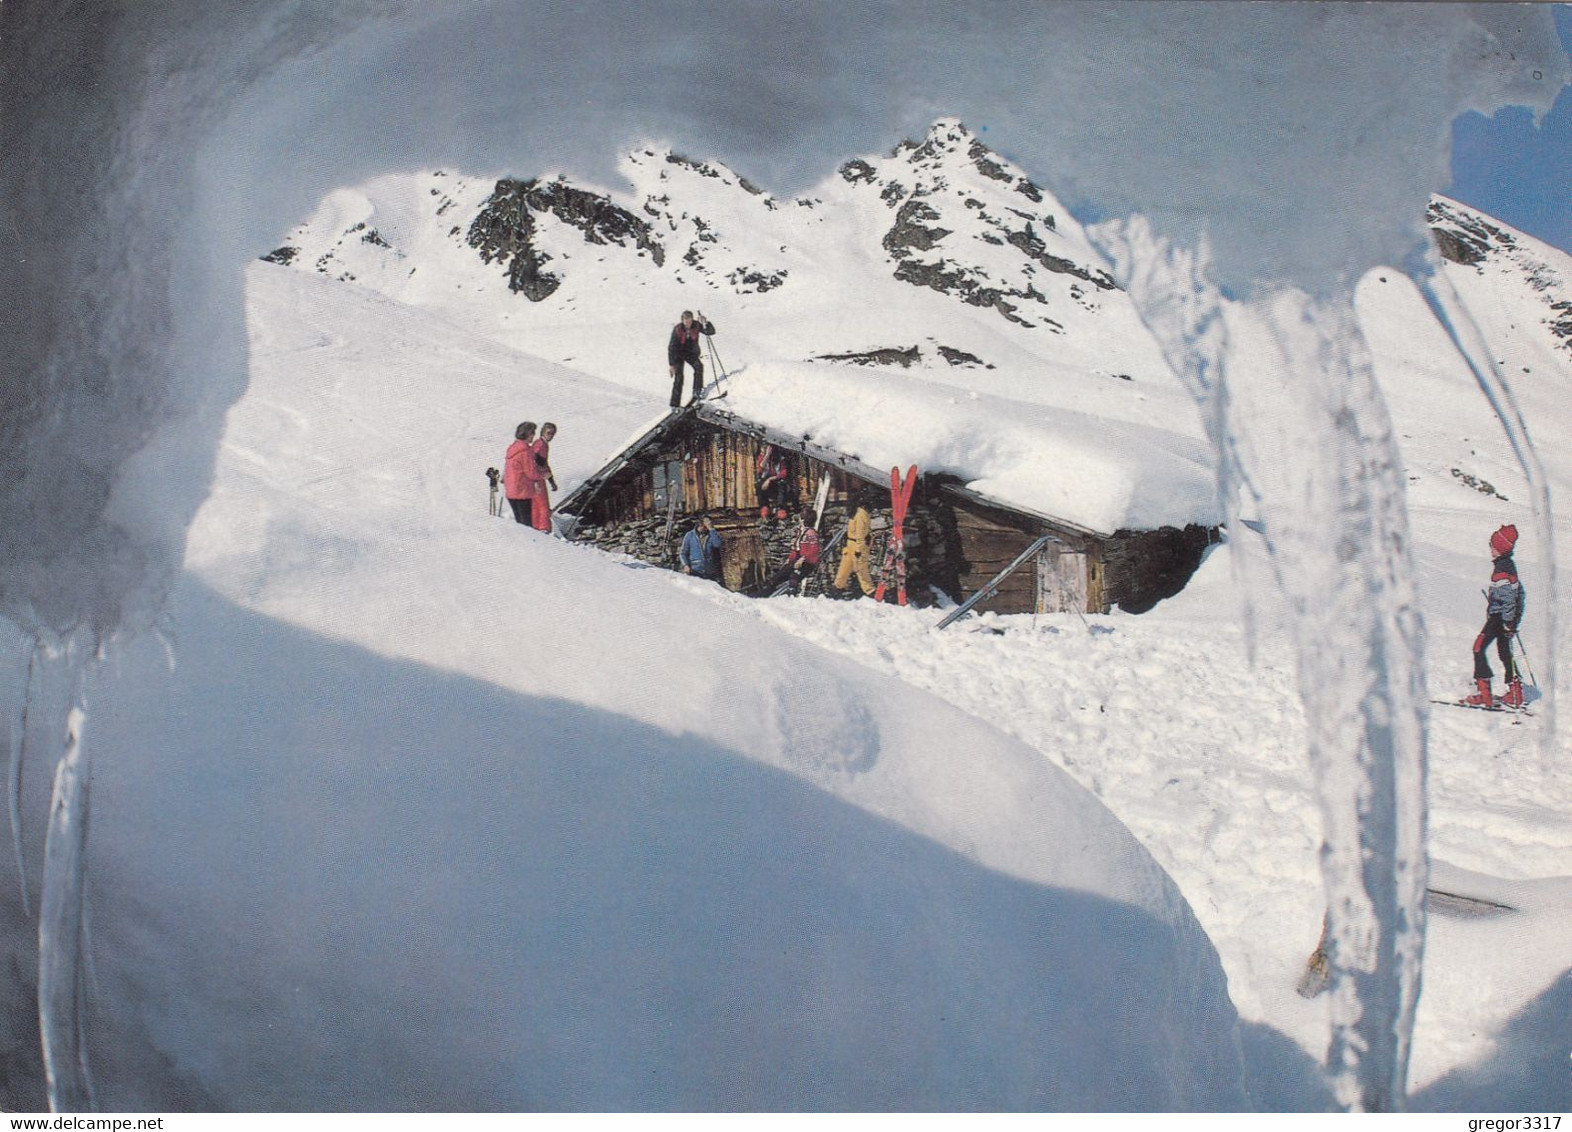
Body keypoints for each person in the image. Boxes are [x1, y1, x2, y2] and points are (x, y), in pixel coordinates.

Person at [1465, 523, 1526, 708]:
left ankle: (1484, 693)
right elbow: (1519, 594)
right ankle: (1515, 693)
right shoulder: (1507, 565)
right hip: (1505, 618)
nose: (1490, 548)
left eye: (1492, 545)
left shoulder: (1502, 569)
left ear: (1500, 547)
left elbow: (1508, 599)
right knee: (1504, 651)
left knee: (1478, 648)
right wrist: (1512, 618)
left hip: (1499, 618)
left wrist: (1507, 620)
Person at [761, 506, 822, 595]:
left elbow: (814, 550)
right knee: (780, 574)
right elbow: (796, 549)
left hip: (807, 562)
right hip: (797, 559)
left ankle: (791, 596)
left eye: (801, 518)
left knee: (794, 576)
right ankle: (765, 592)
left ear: (803, 520)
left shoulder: (811, 533)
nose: (799, 520)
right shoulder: (801, 532)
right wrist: (789, 559)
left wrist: (802, 559)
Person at [668, 309, 716, 408]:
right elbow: (672, 347)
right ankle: (674, 404)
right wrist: (672, 364)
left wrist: (706, 323)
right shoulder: (677, 329)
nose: (688, 323)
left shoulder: (697, 325)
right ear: (682, 320)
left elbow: (710, 332)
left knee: (699, 367)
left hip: (691, 353)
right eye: (686, 321)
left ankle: (697, 391)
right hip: (678, 353)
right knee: (679, 377)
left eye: (689, 320)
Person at [831, 497, 876, 598]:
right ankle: (837, 587)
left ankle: (870, 591)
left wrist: (859, 550)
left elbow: (860, 534)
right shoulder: (856, 513)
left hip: (857, 545)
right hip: (851, 544)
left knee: (861, 569)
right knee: (844, 567)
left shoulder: (860, 515)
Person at [503, 421, 540, 526]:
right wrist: (542, 475)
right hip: (522, 490)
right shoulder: (525, 451)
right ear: (529, 434)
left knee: (519, 523)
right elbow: (531, 472)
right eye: (533, 433)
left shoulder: (512, 449)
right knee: (527, 524)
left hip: (511, 490)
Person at [530, 421, 559, 532]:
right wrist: (547, 475)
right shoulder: (540, 444)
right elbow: (538, 459)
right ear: (543, 432)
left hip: (533, 477)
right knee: (543, 504)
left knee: (536, 504)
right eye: (548, 433)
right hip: (537, 477)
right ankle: (544, 527)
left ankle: (535, 526)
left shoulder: (539, 443)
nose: (550, 436)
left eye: (552, 433)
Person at [679, 513, 723, 581]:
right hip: (695, 570)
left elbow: (717, 544)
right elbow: (683, 553)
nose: (706, 526)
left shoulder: (711, 535)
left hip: (709, 570)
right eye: (705, 523)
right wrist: (686, 565)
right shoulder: (690, 535)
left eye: (708, 523)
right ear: (700, 523)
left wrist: (712, 529)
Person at [754, 445, 791, 520]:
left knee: (782, 484)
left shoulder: (781, 459)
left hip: (776, 481)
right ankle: (765, 507)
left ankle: (781, 509)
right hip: (766, 483)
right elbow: (760, 469)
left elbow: (784, 473)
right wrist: (767, 455)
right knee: (758, 484)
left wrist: (770, 479)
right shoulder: (763, 457)